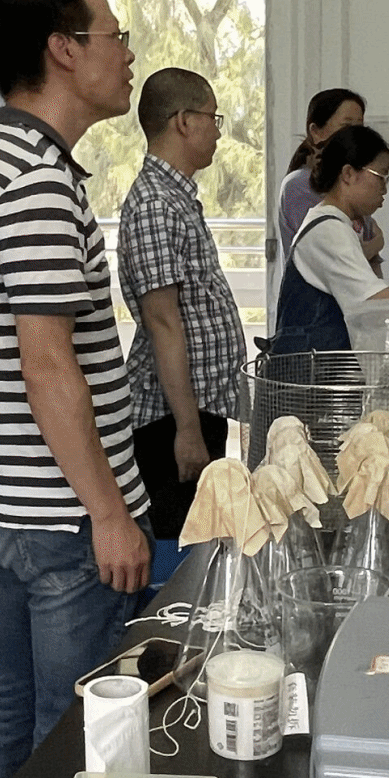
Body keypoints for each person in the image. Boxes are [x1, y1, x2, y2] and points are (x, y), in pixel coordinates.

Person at [0, 0, 153, 778]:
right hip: (64, 518)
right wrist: (109, 513)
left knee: (14, 702)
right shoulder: (35, 181)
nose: (127, 54)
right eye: (114, 36)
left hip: (5, 501)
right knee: (69, 727)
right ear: (64, 51)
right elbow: (47, 365)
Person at [117, 68, 246, 539]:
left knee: (203, 537)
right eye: (213, 117)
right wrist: (188, 431)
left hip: (193, 410)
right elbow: (163, 322)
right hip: (171, 420)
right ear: (184, 121)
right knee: (182, 548)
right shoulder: (155, 204)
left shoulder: (175, 197)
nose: (218, 131)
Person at [272, 124, 389, 354]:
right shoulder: (328, 231)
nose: (384, 189)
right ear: (348, 174)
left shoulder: (337, 224)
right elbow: (373, 299)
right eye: (381, 177)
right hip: (309, 371)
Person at [277, 87, 383, 272]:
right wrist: (376, 244)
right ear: (316, 132)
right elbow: (329, 261)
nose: (354, 136)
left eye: (359, 128)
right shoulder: (300, 186)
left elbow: (370, 261)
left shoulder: (354, 182)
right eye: (346, 127)